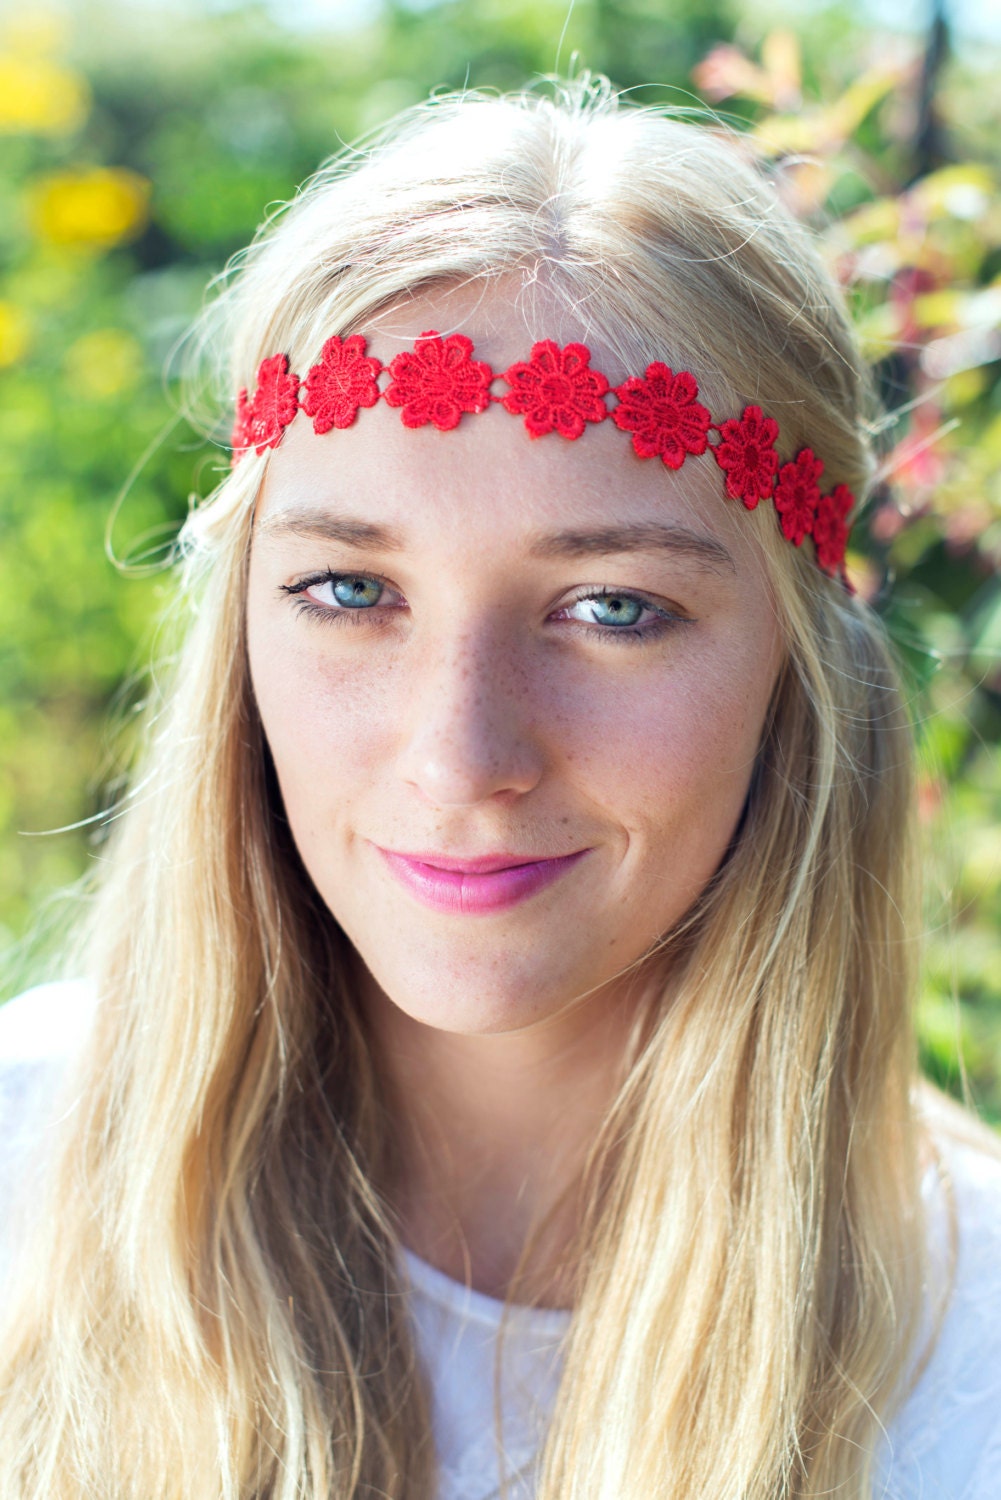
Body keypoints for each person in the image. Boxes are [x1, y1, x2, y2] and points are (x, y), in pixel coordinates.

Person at [0, 78, 999, 1500]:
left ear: (799, 660)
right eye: (350, 591)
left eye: (610, 608)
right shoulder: (18, 1168)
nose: (461, 757)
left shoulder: (969, 1355)